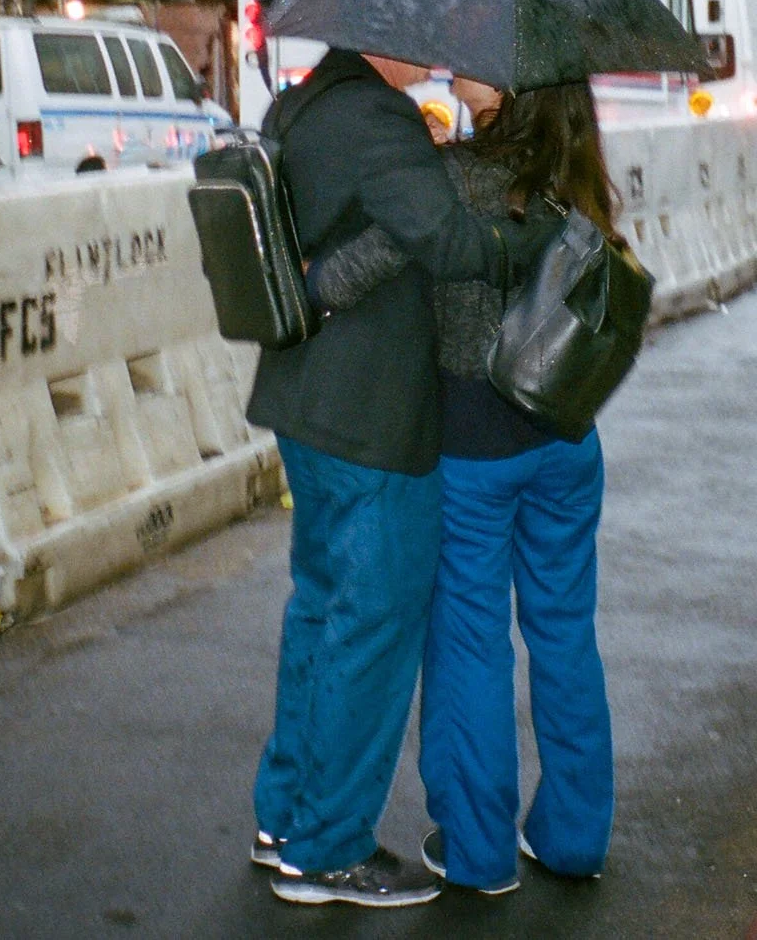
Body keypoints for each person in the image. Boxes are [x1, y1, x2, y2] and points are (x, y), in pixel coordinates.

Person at [245, 49, 557, 908]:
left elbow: (367, 230)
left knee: (320, 612)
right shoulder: (376, 121)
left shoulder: (303, 105)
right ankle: (328, 848)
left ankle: (286, 818)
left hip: (308, 398)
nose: (431, 45)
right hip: (370, 415)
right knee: (372, 627)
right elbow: (451, 242)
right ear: (372, 36)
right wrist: (534, 230)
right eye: (411, 32)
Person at [308, 75, 619, 895]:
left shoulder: (455, 177)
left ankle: (480, 852)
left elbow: (350, 274)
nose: (457, 69)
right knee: (564, 637)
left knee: (471, 642)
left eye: (477, 65)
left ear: (509, 88)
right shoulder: (579, 178)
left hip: (475, 447)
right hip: (567, 439)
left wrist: (306, 275)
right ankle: (575, 836)